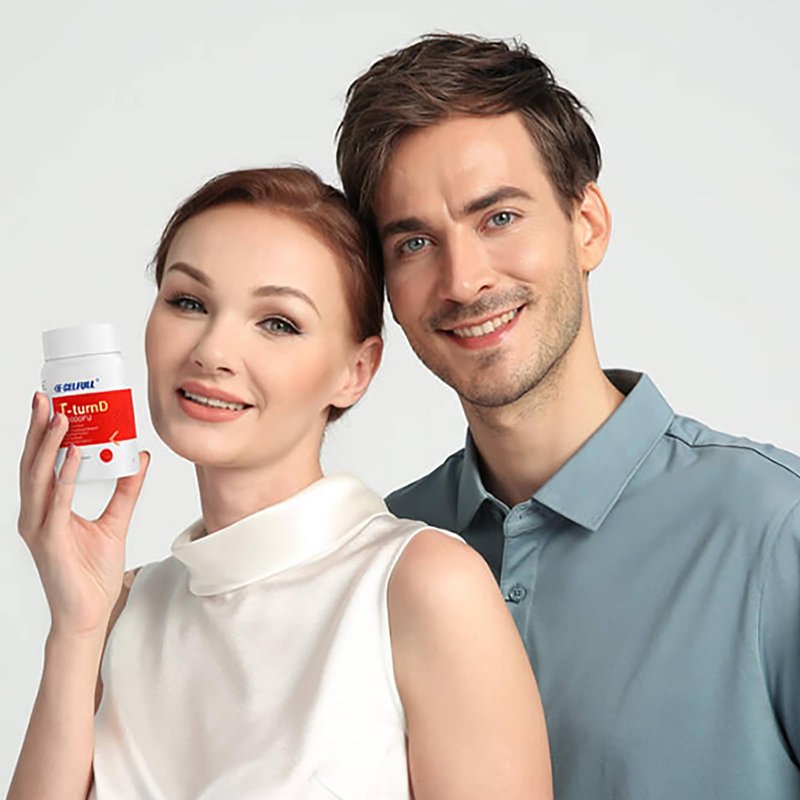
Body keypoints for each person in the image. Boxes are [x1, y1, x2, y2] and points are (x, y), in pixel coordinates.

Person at [336, 33, 800, 800]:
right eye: (415, 241)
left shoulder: (775, 528)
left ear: (587, 224)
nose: (463, 280)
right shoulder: (374, 553)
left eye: (499, 217)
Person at [9, 167, 552, 800]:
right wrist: (75, 628)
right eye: (188, 302)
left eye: (278, 323)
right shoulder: (121, 611)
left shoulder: (421, 586)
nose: (212, 352)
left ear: (356, 370)